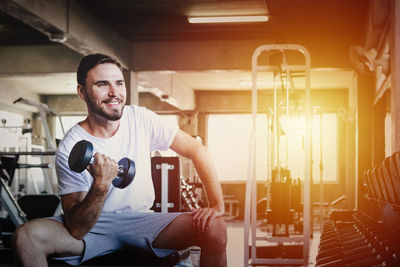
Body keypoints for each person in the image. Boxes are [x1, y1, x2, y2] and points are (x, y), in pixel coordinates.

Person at [12, 53, 227, 267]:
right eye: (102, 84)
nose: (114, 93)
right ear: (82, 92)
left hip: (142, 220)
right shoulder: (71, 146)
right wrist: (100, 185)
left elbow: (197, 149)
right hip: (95, 227)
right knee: (26, 238)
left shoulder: (140, 119)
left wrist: (216, 204)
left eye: (119, 83)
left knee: (215, 228)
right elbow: (77, 229)